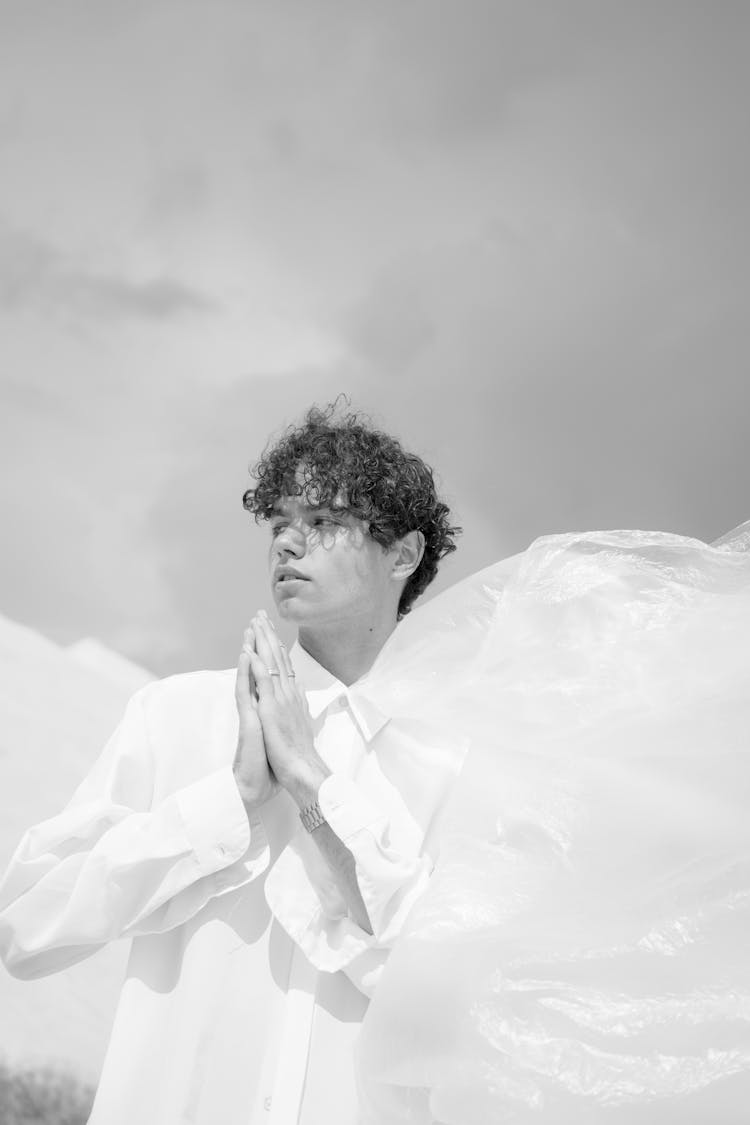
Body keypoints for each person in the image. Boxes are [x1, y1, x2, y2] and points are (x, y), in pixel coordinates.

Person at [0, 403, 462, 1125]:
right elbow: (28, 927)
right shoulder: (178, 717)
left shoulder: (445, 765)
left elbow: (454, 1005)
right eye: (280, 522)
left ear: (402, 554)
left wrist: (312, 783)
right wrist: (232, 801)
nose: (287, 543)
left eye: (324, 522)